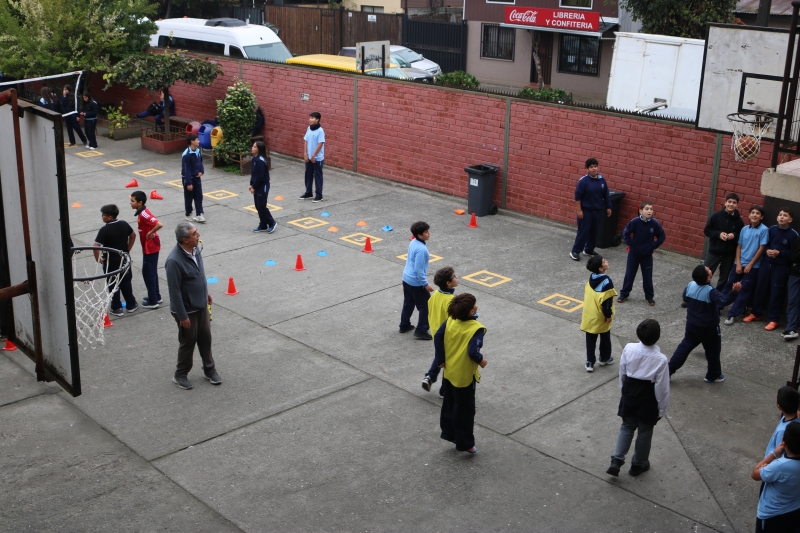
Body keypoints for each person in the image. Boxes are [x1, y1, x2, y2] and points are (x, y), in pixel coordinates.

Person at [606, 319, 669, 477]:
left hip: (629, 391)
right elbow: (662, 388)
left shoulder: (629, 348)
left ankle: (617, 460)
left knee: (626, 426)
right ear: (657, 337)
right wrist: (662, 409)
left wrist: (624, 392)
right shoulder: (661, 359)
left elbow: (622, 371)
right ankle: (638, 464)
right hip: (648, 397)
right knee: (645, 431)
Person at [165, 222, 221, 390]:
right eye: (194, 233)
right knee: (188, 341)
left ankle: (209, 369)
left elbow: (199, 274)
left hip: (201, 304)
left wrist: (205, 293)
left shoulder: (196, 249)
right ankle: (180, 374)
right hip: (186, 309)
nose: (198, 235)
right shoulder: (174, 261)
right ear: (184, 239)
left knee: (205, 337)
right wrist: (183, 316)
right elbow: (174, 291)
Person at [669, 265, 741, 383]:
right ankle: (713, 374)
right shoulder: (710, 292)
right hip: (709, 328)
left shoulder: (690, 285)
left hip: (692, 325)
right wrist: (734, 292)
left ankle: (668, 370)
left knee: (684, 347)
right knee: (713, 351)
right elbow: (724, 300)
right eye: (708, 270)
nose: (709, 268)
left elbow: (685, 298)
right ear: (708, 278)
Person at [436, 293, 487, 454]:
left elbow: (438, 336)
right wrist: (481, 360)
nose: (477, 306)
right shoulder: (476, 329)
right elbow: (473, 352)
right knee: (465, 409)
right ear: (471, 312)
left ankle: (449, 433)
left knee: (450, 403)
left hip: (450, 371)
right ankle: (465, 443)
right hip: (464, 376)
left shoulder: (451, 320)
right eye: (475, 305)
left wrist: (441, 358)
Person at [749, 208, 798, 331]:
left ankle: (774, 319)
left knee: (776, 293)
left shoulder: (793, 234)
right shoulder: (770, 230)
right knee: (760, 288)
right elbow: (763, 245)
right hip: (766, 263)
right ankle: (756, 313)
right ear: (777, 218)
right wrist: (767, 251)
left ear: (790, 220)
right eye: (780, 215)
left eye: (785, 215)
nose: (781, 217)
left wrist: (779, 253)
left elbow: (794, 254)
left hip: (781, 267)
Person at [722, 206, 769, 326]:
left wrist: (750, 264)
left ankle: (732, 314)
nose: (754, 215)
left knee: (744, 289)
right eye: (752, 212)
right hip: (739, 264)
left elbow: (761, 248)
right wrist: (738, 263)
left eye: (757, 213)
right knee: (730, 284)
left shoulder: (764, 230)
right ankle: (718, 305)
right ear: (749, 215)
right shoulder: (744, 229)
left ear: (761, 217)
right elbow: (739, 246)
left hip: (753, 266)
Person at [751, 422, 800, 532]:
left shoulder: (779, 466)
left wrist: (773, 454)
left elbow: (755, 474)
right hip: (795, 510)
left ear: (784, 442)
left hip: (772, 515)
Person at [618, 201, 666, 306]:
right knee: (629, 274)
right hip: (634, 254)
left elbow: (662, 237)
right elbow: (626, 233)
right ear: (641, 211)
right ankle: (624, 294)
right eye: (647, 209)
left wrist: (653, 246)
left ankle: (649, 297)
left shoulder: (655, 224)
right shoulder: (634, 222)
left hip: (647, 255)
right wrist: (631, 244)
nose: (649, 211)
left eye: (651, 209)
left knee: (647, 276)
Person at [93, 204, 137, 317]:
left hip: (111, 261)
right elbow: (133, 235)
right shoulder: (124, 224)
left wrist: (98, 259)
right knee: (126, 282)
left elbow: (96, 246)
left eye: (103, 215)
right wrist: (128, 250)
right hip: (124, 259)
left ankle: (116, 307)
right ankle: (131, 304)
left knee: (113, 284)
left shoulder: (104, 230)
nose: (102, 217)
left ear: (109, 217)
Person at [422, 266, 458, 393]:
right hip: (447, 336)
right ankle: (444, 390)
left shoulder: (435, 295)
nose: (457, 278)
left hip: (435, 331)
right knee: (448, 362)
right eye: (454, 277)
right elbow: (454, 321)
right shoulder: (452, 301)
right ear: (448, 283)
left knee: (440, 355)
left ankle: (430, 377)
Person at [580, 254, 617, 372]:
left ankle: (590, 361)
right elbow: (607, 302)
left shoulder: (591, 278)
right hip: (601, 316)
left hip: (590, 314)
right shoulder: (607, 282)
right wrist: (608, 315)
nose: (606, 261)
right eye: (604, 261)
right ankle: (604, 358)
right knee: (605, 336)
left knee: (590, 338)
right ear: (601, 268)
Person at [570, 157, 612, 261]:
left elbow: (606, 194)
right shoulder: (583, 181)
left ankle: (588, 249)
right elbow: (578, 197)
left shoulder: (602, 180)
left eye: (595, 166)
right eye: (591, 167)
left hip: (597, 211)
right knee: (583, 231)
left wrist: (609, 206)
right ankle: (575, 251)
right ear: (587, 169)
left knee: (594, 231)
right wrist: (579, 210)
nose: (594, 169)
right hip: (586, 211)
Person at [399, 221, 434, 340]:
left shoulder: (413, 242)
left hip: (406, 278)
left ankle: (404, 325)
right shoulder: (422, 250)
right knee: (426, 306)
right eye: (426, 232)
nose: (429, 234)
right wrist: (425, 284)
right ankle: (421, 330)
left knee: (408, 303)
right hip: (416, 282)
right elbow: (418, 270)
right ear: (419, 235)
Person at [703, 193, 745, 291]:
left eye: (734, 203)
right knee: (704, 274)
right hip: (714, 251)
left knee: (724, 278)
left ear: (737, 205)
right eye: (729, 202)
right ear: (725, 203)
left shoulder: (739, 221)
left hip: (729, 254)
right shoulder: (716, 216)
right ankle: (697, 296)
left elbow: (741, 235)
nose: (731, 204)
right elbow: (707, 231)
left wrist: (734, 235)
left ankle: (718, 299)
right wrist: (719, 234)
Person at [130, 191, 163, 309]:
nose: (130, 203)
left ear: (140, 202)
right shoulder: (141, 212)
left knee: (148, 273)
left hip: (150, 247)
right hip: (149, 247)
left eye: (133, 201)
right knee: (151, 272)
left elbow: (159, 224)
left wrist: (150, 233)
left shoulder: (144, 214)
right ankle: (156, 296)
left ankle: (153, 301)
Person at [249, 141, 276, 233]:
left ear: (258, 149)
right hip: (257, 185)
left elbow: (260, 176)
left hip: (262, 185)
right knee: (257, 205)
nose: (252, 148)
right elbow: (253, 174)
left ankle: (272, 222)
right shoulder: (254, 159)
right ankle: (263, 224)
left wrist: (254, 186)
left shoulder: (260, 160)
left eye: (254, 146)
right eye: (253, 146)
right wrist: (251, 184)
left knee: (261, 206)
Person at [765, 387, 800, 458]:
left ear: (779, 406)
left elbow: (780, 454)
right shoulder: (791, 417)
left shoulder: (783, 430)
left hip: (770, 461)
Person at [299, 111, 325, 202]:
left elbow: (320, 144)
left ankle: (319, 195)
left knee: (318, 176)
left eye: (312, 118)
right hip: (309, 157)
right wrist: (305, 154)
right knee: (308, 175)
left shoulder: (320, 131)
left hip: (317, 158)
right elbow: (305, 141)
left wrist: (314, 155)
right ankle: (308, 193)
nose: (310, 120)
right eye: (310, 118)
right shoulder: (309, 128)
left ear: (317, 120)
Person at [181, 134, 205, 223]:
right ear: (192, 141)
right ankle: (188, 214)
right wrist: (189, 183)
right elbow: (186, 169)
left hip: (197, 178)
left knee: (199, 196)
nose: (199, 141)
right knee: (189, 197)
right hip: (189, 178)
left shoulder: (198, 151)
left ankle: (200, 214)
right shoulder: (186, 155)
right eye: (197, 140)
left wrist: (201, 171)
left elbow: (200, 162)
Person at [783, 232, 800, 340]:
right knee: (793, 300)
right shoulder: (797, 239)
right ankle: (791, 328)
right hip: (795, 274)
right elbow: (791, 257)